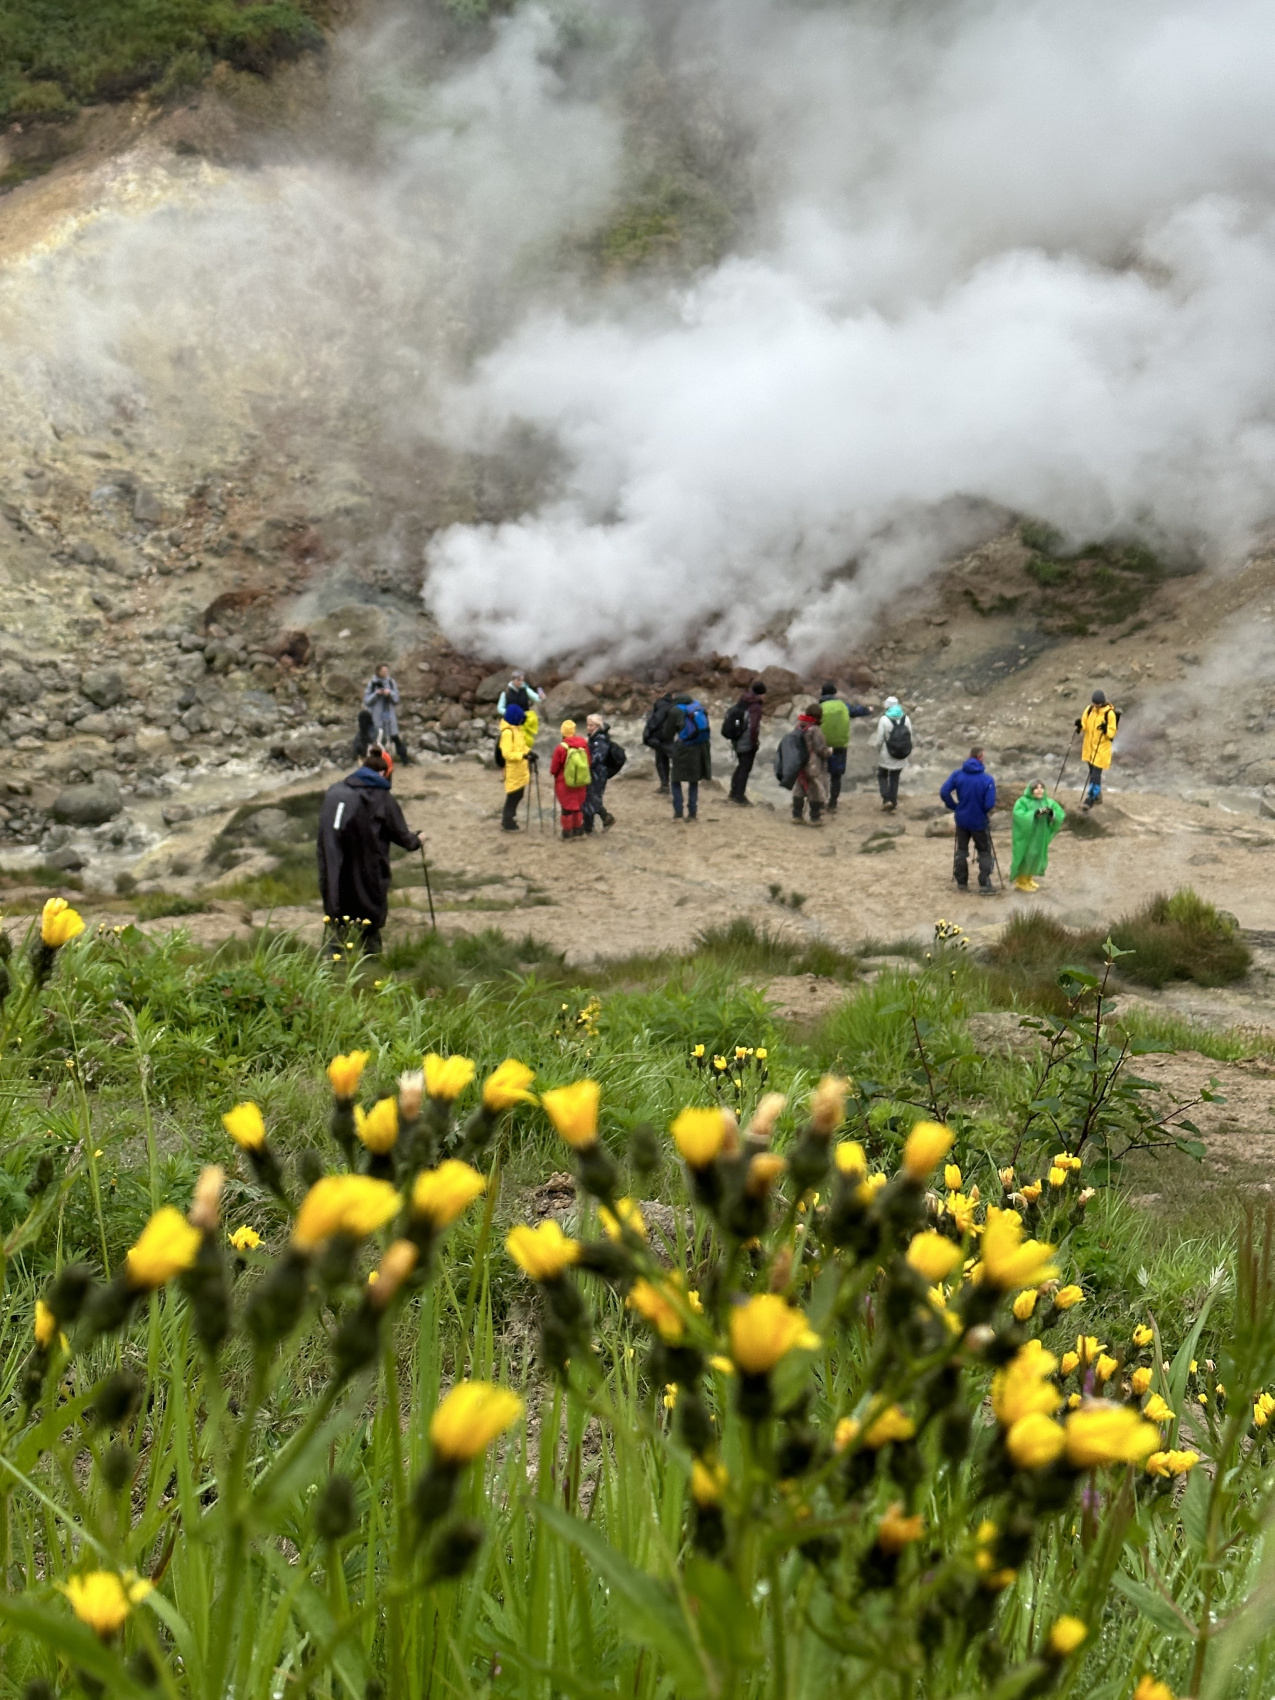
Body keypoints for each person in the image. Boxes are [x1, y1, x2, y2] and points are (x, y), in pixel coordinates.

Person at [317, 746, 421, 955]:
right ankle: (372, 963)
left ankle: (331, 964)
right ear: (384, 773)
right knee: (369, 921)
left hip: (335, 867)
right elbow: (402, 836)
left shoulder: (335, 791)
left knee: (338, 919)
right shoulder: (381, 797)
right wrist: (418, 840)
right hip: (368, 870)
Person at [939, 746, 998, 895]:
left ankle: (961, 882)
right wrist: (983, 812)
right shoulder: (987, 779)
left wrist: (954, 806)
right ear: (982, 757)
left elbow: (944, 791)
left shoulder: (957, 774)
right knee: (984, 850)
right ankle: (984, 884)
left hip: (962, 819)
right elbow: (989, 803)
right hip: (979, 821)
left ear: (969, 756)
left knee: (961, 850)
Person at [657, 692, 712, 822]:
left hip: (684, 748)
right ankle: (692, 813)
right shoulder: (699, 707)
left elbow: (667, 734)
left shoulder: (675, 711)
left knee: (675, 779)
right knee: (694, 780)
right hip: (701, 747)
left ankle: (678, 813)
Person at [818, 681, 872, 811]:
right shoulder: (843, 706)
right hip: (840, 745)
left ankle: (819, 801)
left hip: (822, 746)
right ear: (835, 693)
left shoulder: (819, 708)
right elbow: (855, 711)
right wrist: (868, 710)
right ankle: (833, 803)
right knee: (836, 776)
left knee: (821, 774)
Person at [1010, 780, 1065, 891]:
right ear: (1030, 790)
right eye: (1036, 788)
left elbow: (1060, 813)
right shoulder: (1023, 801)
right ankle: (1021, 881)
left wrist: (1051, 813)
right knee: (1027, 856)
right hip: (1028, 837)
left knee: (1036, 856)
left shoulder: (1048, 802)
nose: (1039, 790)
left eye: (1041, 788)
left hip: (1040, 836)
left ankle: (1029, 879)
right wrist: (1034, 814)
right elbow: (1018, 815)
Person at [724, 680, 766, 805]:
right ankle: (739, 796)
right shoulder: (755, 707)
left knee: (741, 766)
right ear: (760, 694)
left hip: (737, 739)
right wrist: (754, 743)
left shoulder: (743, 700)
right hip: (746, 741)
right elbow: (753, 727)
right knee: (745, 768)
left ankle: (733, 792)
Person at [1077, 690, 1120, 810]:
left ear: (1103, 702)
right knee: (1092, 774)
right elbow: (1084, 724)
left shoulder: (1109, 714)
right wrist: (1080, 725)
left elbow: (1112, 733)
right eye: (1094, 703)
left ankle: (1090, 799)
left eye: (1098, 704)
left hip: (1101, 750)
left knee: (1095, 775)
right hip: (1089, 748)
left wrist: (1106, 729)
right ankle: (1098, 796)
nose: (1096, 706)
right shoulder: (1089, 710)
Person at [498, 703, 536, 832]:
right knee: (513, 796)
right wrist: (523, 756)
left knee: (518, 795)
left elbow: (521, 746)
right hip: (513, 770)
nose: (521, 721)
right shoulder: (507, 733)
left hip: (520, 769)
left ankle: (510, 818)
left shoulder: (516, 729)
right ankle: (507, 821)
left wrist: (529, 752)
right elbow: (507, 754)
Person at [550, 719, 591, 839]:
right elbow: (588, 762)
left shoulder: (561, 748)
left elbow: (554, 768)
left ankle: (567, 833)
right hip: (581, 781)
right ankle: (579, 831)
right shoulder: (583, 744)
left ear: (562, 732)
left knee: (566, 809)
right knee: (578, 807)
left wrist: (555, 774)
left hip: (565, 782)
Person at [791, 702, 830, 825]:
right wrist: (829, 751)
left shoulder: (799, 727)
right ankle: (815, 817)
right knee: (815, 790)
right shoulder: (815, 730)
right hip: (812, 764)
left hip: (799, 762)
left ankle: (797, 815)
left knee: (799, 788)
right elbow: (820, 749)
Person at [363, 664, 408, 766]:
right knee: (378, 739)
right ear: (378, 672)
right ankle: (379, 762)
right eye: (383, 671)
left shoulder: (391, 682)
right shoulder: (372, 684)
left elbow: (397, 698)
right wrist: (376, 694)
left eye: (386, 670)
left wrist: (390, 693)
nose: (385, 673)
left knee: (395, 737)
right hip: (377, 716)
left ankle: (405, 759)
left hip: (389, 714)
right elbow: (366, 700)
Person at [873, 695, 913, 810]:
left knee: (882, 774)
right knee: (895, 778)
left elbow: (880, 739)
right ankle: (893, 801)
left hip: (887, 752)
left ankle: (886, 798)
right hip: (901, 753)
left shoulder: (884, 719)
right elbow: (910, 736)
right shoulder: (906, 718)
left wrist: (878, 749)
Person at [583, 714, 616, 833]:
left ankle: (590, 827)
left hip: (598, 773)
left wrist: (584, 761)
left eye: (591, 725)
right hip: (594, 772)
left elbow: (596, 758)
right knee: (590, 797)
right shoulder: (593, 737)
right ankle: (600, 820)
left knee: (591, 797)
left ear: (597, 725)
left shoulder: (600, 740)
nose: (588, 727)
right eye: (587, 725)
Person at [643, 690, 676, 793]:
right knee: (666, 758)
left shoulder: (661, 704)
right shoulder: (674, 705)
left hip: (659, 736)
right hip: (669, 735)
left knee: (661, 760)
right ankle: (666, 785)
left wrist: (647, 733)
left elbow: (656, 719)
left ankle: (665, 785)